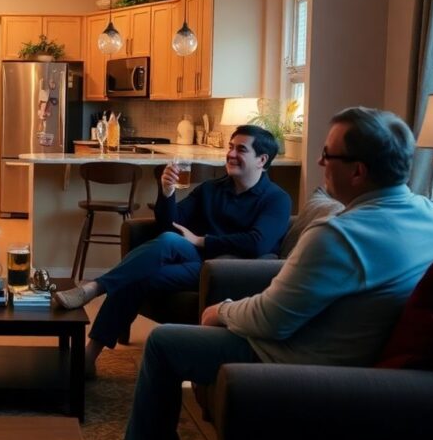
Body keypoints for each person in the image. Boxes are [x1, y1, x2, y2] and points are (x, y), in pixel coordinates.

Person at [117, 107, 433, 440]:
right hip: (360, 349)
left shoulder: (338, 235)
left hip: (305, 359)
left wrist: (220, 310)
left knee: (163, 341)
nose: (318, 160)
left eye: (328, 154)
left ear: (358, 171)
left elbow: (271, 320)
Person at [54, 125, 292, 376]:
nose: (231, 154)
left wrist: (202, 241)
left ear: (262, 160)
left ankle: (94, 289)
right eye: (230, 147)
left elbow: (258, 243)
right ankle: (90, 356)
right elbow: (171, 223)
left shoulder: (276, 199)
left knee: (147, 266)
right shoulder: (211, 189)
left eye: (241, 149)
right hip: (194, 262)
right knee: (166, 241)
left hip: (229, 271)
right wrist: (166, 193)